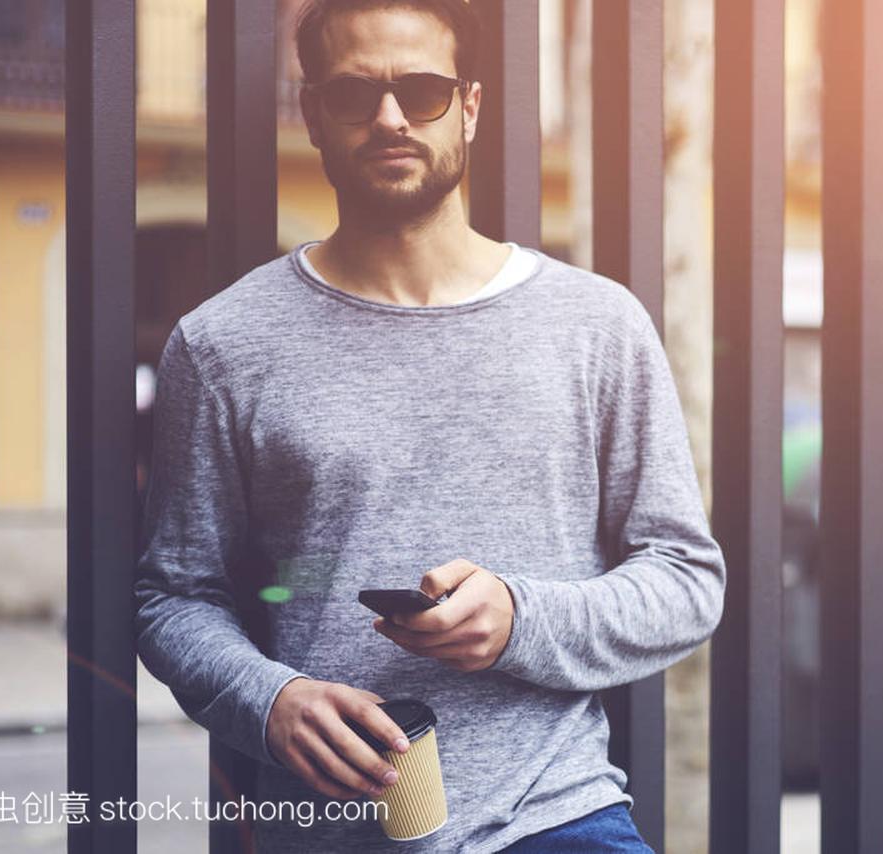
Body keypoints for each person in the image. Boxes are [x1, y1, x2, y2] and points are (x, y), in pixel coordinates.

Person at [133, 0, 725, 850]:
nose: (389, 118)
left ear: (471, 107)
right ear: (312, 117)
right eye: (353, 95)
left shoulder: (596, 325)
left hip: (558, 817)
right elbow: (174, 596)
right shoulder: (225, 343)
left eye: (422, 90)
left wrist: (521, 620)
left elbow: (685, 580)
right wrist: (270, 702)